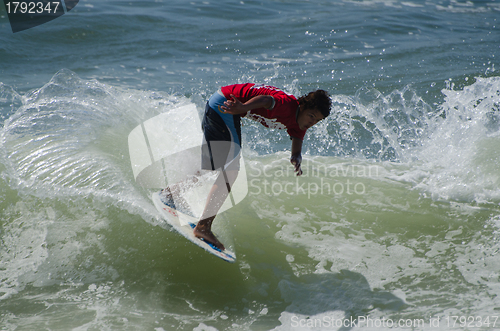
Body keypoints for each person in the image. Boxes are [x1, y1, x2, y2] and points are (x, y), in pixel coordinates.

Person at [163, 83, 331, 251]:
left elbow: (297, 136)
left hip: (222, 105)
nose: (312, 122)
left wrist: (296, 156)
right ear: (302, 107)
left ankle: (172, 192)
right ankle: (203, 226)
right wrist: (243, 107)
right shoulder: (287, 105)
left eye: (317, 120)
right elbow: (266, 100)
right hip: (225, 105)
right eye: (311, 116)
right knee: (231, 171)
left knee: (215, 167)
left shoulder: (300, 122)